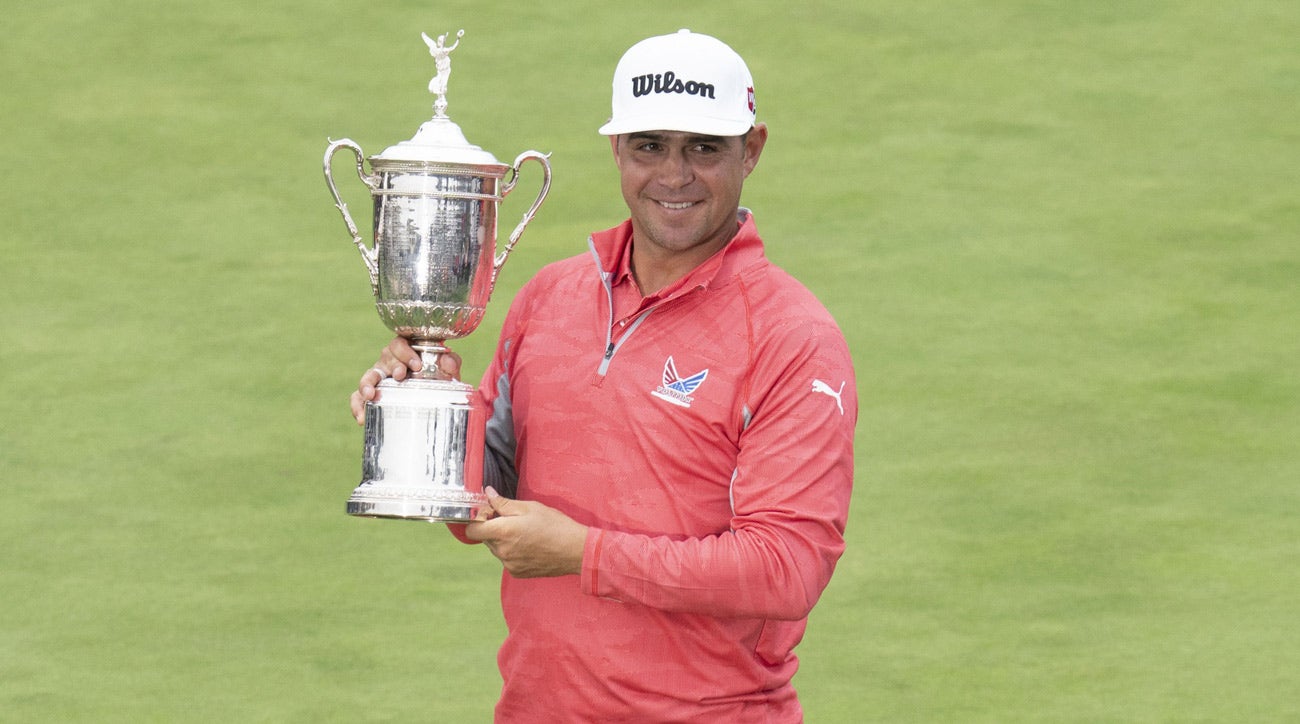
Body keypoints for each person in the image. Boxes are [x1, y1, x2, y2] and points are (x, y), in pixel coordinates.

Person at [350, 29, 857, 723]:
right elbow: (483, 505)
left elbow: (787, 568)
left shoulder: (792, 337)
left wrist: (583, 554)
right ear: (617, 148)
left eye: (704, 148)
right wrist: (428, 406)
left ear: (752, 149)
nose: (674, 175)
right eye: (650, 145)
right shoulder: (550, 298)